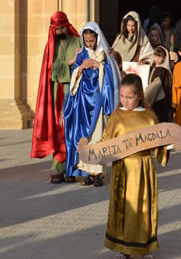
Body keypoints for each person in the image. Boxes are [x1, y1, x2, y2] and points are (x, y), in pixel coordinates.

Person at [103, 73, 172, 259]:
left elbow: (159, 143)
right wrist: (88, 151)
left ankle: (143, 247)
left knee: (142, 207)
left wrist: (171, 142)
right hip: (122, 169)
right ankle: (122, 247)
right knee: (123, 208)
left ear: (140, 95)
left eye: (130, 97)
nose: (125, 100)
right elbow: (106, 141)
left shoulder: (149, 117)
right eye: (122, 96)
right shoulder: (116, 116)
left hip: (142, 169)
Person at [64, 22, 121, 187]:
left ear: (97, 38)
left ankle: (98, 174)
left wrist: (98, 66)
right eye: (87, 41)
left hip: (98, 101)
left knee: (97, 138)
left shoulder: (105, 54)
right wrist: (80, 68)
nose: (89, 44)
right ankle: (88, 173)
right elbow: (73, 73)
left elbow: (111, 75)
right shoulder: (82, 54)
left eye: (92, 40)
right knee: (86, 138)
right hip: (83, 102)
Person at [31, 11, 82, 184]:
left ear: (67, 26)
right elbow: (50, 70)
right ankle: (58, 169)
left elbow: (81, 63)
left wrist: (74, 63)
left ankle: (70, 169)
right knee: (57, 128)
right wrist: (68, 63)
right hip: (55, 93)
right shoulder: (51, 44)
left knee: (70, 129)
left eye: (61, 28)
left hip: (73, 91)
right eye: (56, 29)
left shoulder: (77, 41)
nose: (58, 32)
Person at [148, 46, 172, 122]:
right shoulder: (154, 68)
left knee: (160, 118)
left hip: (160, 99)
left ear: (164, 58)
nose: (157, 58)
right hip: (155, 98)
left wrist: (147, 96)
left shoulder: (162, 70)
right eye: (155, 56)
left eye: (160, 56)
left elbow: (156, 84)